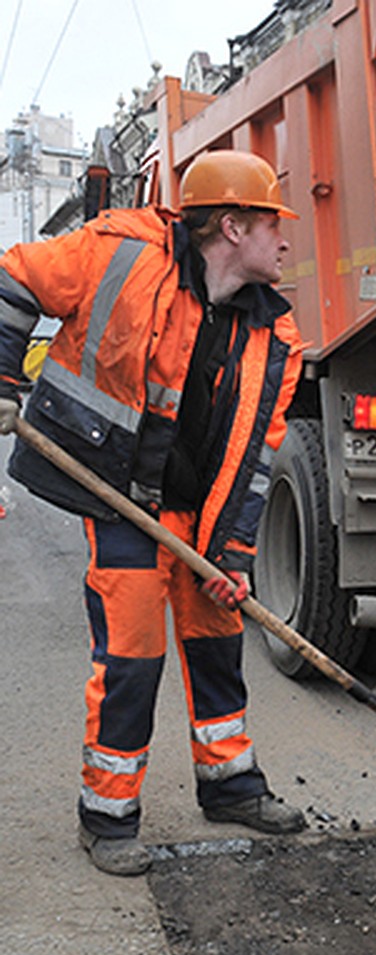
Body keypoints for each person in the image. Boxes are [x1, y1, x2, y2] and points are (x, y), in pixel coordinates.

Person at [0, 149, 310, 876]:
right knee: (133, 660)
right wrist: (3, 376)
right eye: (274, 224)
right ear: (231, 227)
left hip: (201, 520)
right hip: (118, 498)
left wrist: (233, 553)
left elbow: (258, 457)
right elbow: (13, 277)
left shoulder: (277, 337)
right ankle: (107, 817)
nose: (285, 241)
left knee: (217, 647)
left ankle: (230, 786)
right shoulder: (123, 253)